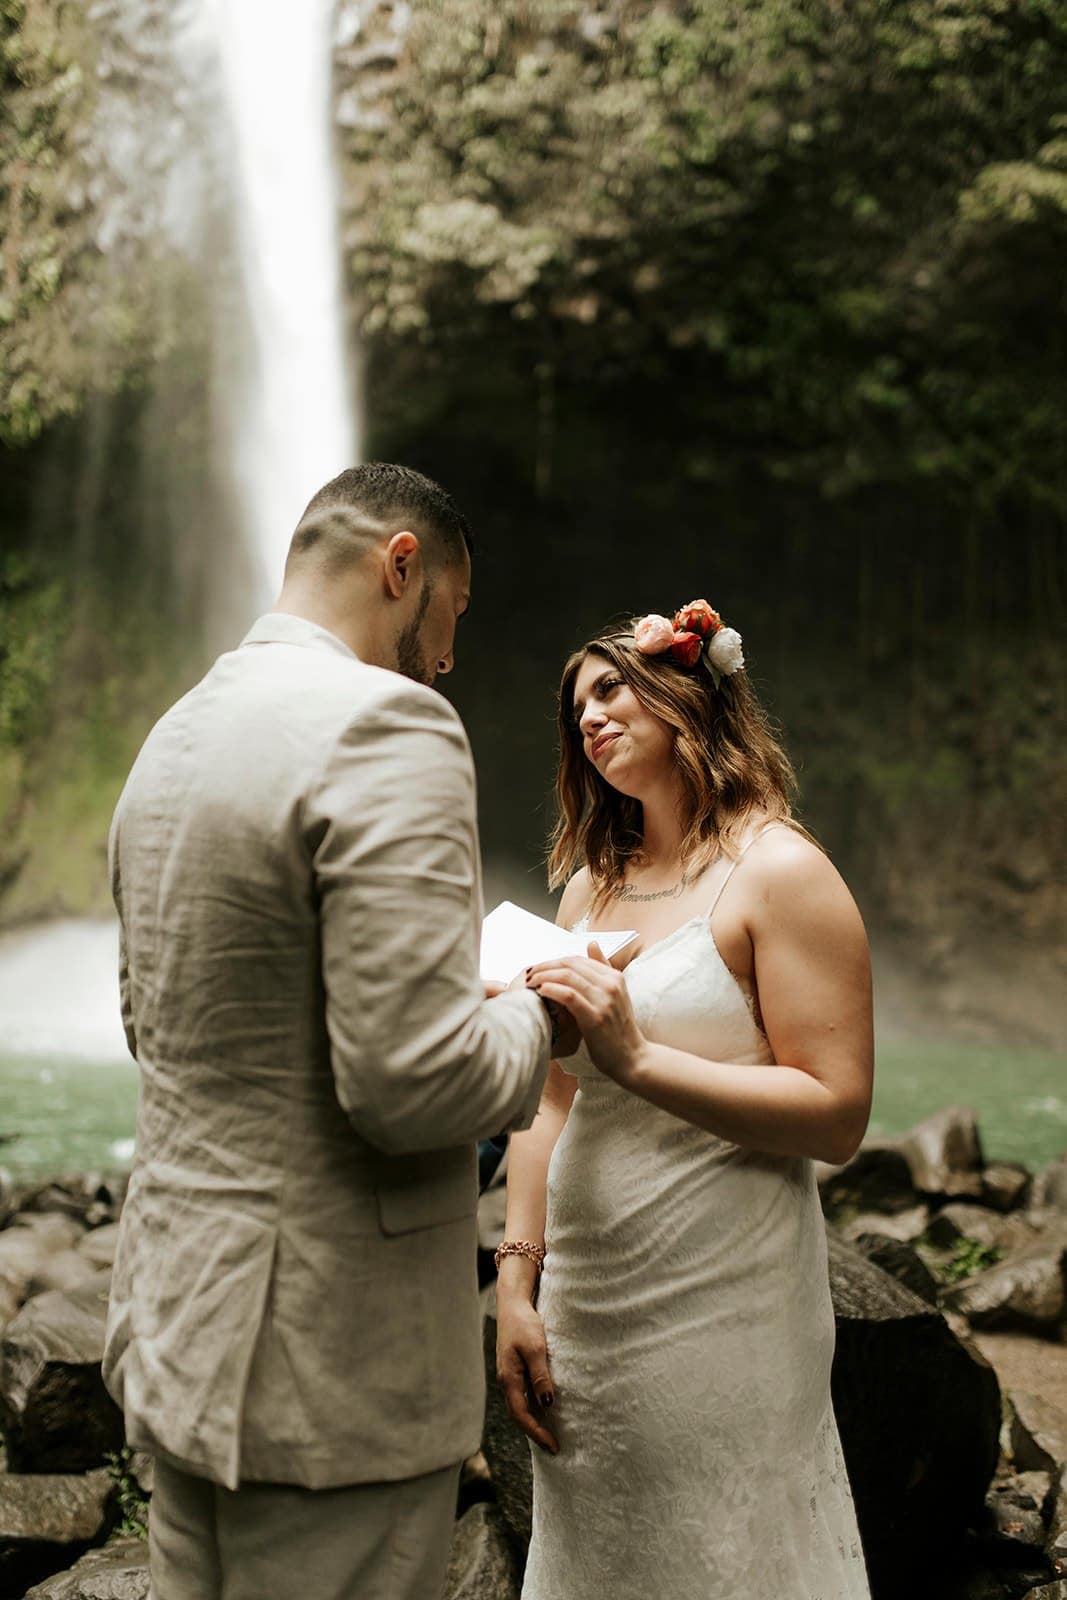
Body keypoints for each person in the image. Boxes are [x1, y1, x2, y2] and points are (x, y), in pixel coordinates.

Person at [104, 463, 572, 1600]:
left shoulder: (175, 733)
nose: (446, 658)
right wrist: (539, 1012)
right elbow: (412, 1086)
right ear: (401, 566)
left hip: (180, 1331)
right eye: (452, 613)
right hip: (329, 1364)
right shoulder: (389, 724)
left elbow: (155, 1020)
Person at [496, 601, 874, 1599]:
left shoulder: (779, 871)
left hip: (725, 1299)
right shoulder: (588, 888)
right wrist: (515, 1281)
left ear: (684, 696)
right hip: (587, 1302)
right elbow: (550, 1102)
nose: (588, 715)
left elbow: (837, 1112)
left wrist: (637, 1059)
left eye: (609, 688)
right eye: (576, 706)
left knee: (726, 1554)